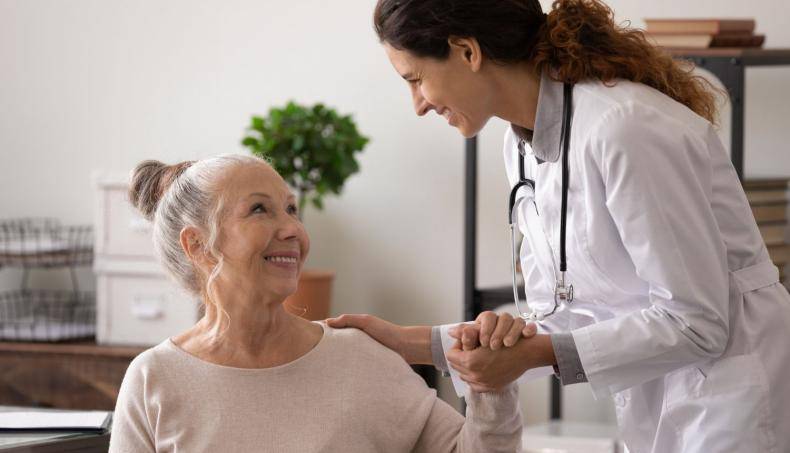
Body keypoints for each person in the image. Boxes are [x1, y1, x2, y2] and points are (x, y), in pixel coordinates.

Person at [327, 1, 790, 452]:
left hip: (734, 398)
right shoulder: (522, 146)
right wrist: (414, 343)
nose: (418, 105)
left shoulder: (624, 128)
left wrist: (536, 353)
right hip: (665, 397)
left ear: (468, 51)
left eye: (415, 79)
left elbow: (698, 323)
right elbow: (563, 311)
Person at [109, 155, 523, 452]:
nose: (292, 228)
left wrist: (491, 386)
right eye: (259, 209)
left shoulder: (360, 358)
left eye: (291, 210)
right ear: (198, 245)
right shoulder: (154, 379)